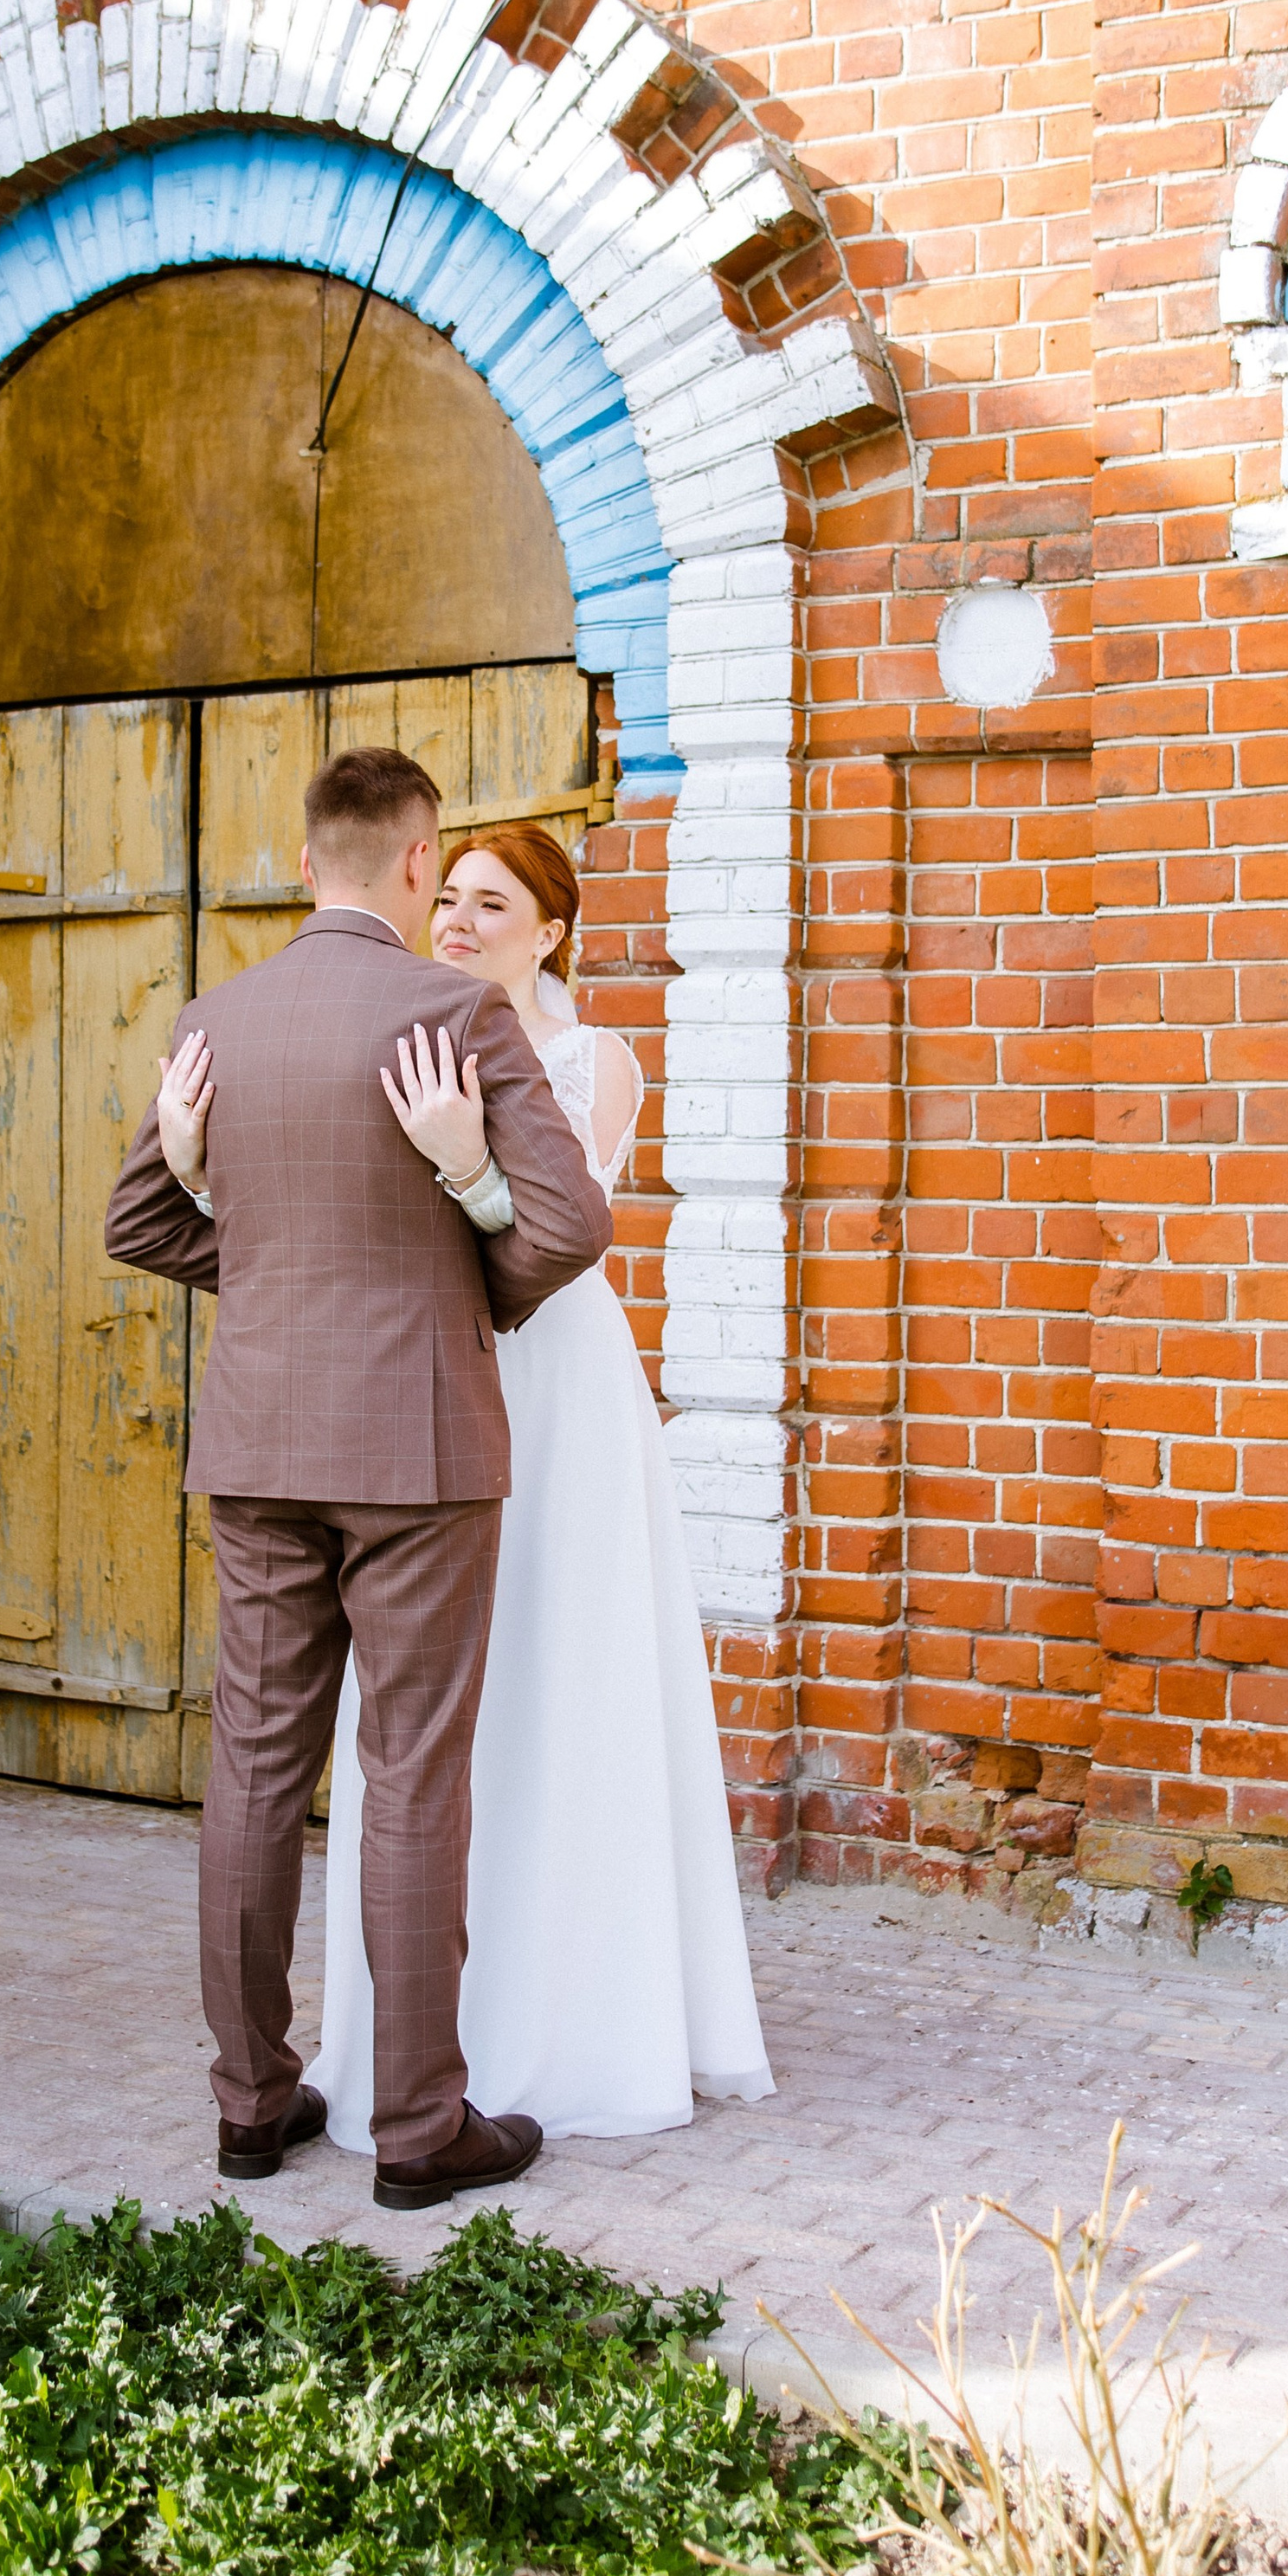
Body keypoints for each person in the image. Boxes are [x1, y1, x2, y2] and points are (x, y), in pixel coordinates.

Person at [101, 749, 612, 2211]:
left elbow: (142, 1216)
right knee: (411, 1774)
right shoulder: (455, 1011)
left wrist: (249, 1255)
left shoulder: (221, 1018)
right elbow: (569, 1226)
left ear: (305, 857)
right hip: (422, 1451)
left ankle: (251, 2106)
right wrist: (472, 1289)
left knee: (255, 1765)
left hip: (263, 1444)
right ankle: (416, 2130)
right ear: (409, 863)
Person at [312, 822, 775, 2147]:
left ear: (550, 929)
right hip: (428, 1389)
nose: (456, 920)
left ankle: (586, 2021)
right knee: (433, 1702)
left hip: (559, 1389)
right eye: (445, 895)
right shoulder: (405, 1041)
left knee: (568, 1678)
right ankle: (424, 2027)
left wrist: (463, 1157)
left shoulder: (598, 1063)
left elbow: (556, 1242)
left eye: (490, 902)